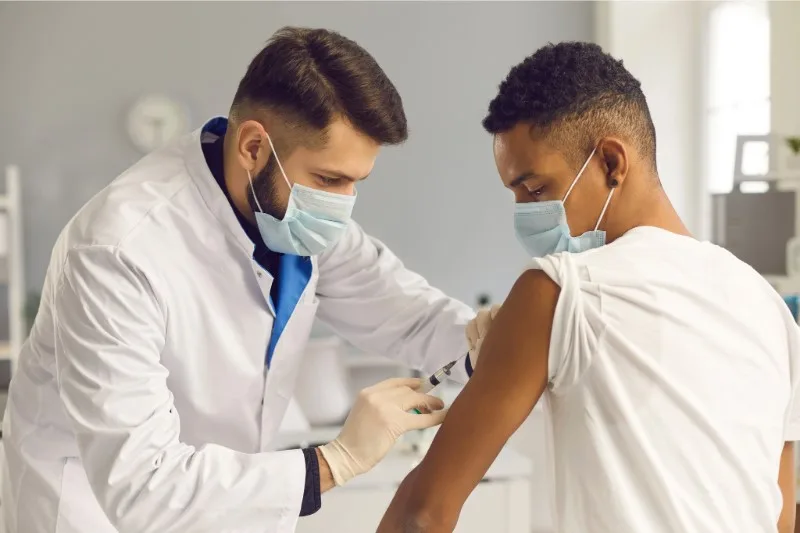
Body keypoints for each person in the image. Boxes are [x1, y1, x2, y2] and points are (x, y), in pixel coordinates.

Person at [0, 27, 497, 533]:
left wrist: (490, 339)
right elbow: (143, 486)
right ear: (254, 146)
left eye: (356, 182)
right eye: (328, 180)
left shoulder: (301, 221)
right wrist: (334, 461)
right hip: (94, 514)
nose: (343, 204)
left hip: (218, 508)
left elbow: (409, 317)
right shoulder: (118, 251)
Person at [378, 42, 800, 533]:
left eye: (535, 190)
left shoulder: (559, 289)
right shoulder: (769, 308)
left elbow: (422, 515)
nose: (523, 214)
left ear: (611, 162)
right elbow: (781, 515)